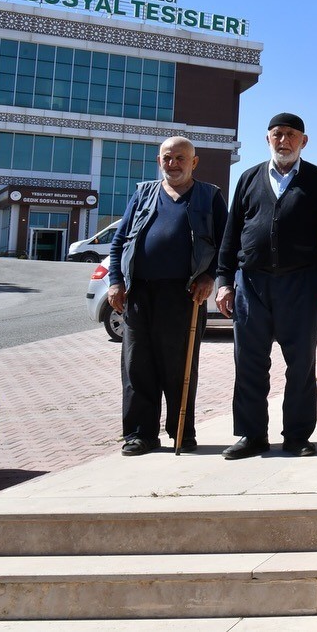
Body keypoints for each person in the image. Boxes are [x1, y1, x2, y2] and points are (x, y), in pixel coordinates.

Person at [215, 113, 317, 459]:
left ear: (303, 141)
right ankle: (251, 435)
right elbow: (232, 233)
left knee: (301, 364)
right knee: (249, 362)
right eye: (277, 134)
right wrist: (224, 281)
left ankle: (297, 435)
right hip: (251, 284)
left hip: (301, 283)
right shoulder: (249, 178)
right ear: (267, 139)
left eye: (291, 135)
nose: (284, 141)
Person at [107, 136, 227, 455]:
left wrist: (209, 275)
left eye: (180, 159)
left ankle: (181, 433)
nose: (172, 164)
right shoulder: (144, 193)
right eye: (167, 158)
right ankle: (139, 434)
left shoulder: (209, 196)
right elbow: (119, 241)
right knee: (137, 365)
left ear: (194, 162)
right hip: (139, 291)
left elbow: (226, 245)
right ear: (159, 160)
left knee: (179, 366)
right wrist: (115, 281)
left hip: (184, 293)